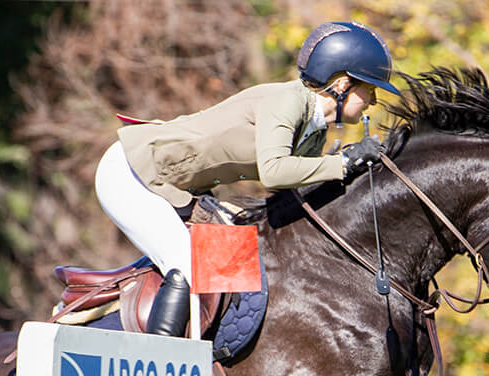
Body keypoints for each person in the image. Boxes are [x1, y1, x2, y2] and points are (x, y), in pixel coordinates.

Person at [94, 21, 401, 337]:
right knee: (190, 266)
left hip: (177, 191)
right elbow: (274, 171)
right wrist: (342, 163)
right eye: (370, 89)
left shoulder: (315, 131)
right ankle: (162, 363)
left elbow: (296, 187)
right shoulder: (287, 101)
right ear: (342, 84)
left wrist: (349, 170)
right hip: (132, 172)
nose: (374, 101)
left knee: (235, 273)